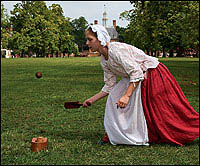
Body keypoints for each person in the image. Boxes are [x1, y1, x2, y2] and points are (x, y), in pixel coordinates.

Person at [82, 24, 199, 146]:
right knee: (114, 98)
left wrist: (126, 96)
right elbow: (110, 85)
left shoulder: (115, 50)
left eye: (90, 39)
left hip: (152, 73)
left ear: (100, 38)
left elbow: (136, 71)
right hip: (136, 77)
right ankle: (116, 135)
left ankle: (190, 130)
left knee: (166, 112)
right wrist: (91, 100)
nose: (87, 43)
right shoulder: (104, 60)